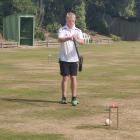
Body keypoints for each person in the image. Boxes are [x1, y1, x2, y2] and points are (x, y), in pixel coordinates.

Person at [58, 12, 84, 106]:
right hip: (64, 58)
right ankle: (64, 97)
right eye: (69, 21)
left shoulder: (78, 30)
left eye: (72, 21)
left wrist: (76, 39)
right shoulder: (62, 29)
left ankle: (74, 97)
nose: (71, 22)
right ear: (66, 20)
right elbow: (59, 39)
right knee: (65, 78)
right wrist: (68, 38)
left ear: (74, 20)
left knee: (73, 78)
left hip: (74, 59)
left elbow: (82, 42)